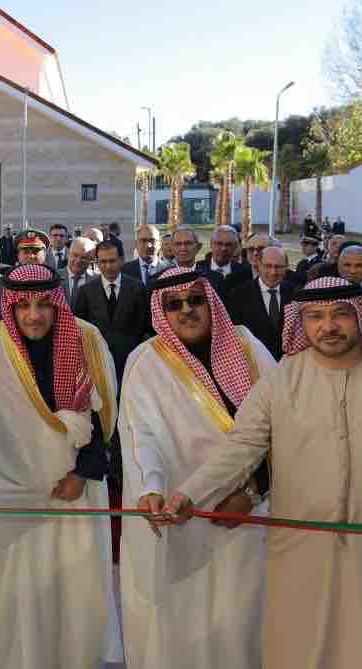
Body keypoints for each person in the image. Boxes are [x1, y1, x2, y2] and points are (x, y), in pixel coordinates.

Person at [162, 276, 362, 669]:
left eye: (341, 314)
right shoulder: (281, 381)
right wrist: (190, 494)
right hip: (301, 550)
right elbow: (240, 448)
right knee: (300, 649)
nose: (328, 326)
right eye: (315, 316)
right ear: (300, 322)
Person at [0, 262, 123, 669]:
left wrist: (83, 472)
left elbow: (105, 418)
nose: (34, 315)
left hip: (76, 494)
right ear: (10, 306)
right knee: (19, 596)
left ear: (58, 303)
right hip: (13, 495)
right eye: (23, 306)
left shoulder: (86, 339)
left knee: (77, 592)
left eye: (43, 305)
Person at [119, 266, 276, 669]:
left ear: (211, 302)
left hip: (247, 516)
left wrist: (253, 492)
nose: (186, 310)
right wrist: (150, 489)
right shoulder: (146, 362)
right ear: (162, 313)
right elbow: (140, 435)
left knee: (242, 624)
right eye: (174, 304)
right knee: (182, 627)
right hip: (180, 518)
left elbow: (285, 428)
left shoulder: (248, 347)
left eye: (195, 300)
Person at [73, 240, 151, 380]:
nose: (108, 266)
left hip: (131, 364)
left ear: (121, 260)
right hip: (98, 364)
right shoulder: (86, 291)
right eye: (103, 262)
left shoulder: (137, 288)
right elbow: (79, 328)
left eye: (112, 261)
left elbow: (144, 326)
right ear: (96, 262)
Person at [226, 246, 294, 361]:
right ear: (258, 265)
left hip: (288, 364)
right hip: (253, 363)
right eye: (268, 266)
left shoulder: (296, 294)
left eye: (278, 267)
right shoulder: (238, 296)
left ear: (287, 267)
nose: (273, 272)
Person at [197, 225, 253, 296]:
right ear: (211, 244)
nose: (224, 248)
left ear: (235, 247)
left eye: (228, 245)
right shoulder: (197, 270)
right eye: (219, 244)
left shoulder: (245, 273)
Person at [58, 237, 97, 306]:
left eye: (83, 257)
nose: (78, 261)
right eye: (75, 255)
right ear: (68, 254)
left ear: (91, 260)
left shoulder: (96, 280)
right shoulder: (54, 277)